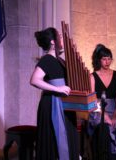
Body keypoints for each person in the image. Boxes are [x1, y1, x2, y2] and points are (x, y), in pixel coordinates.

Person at [30, 27, 79, 160]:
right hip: (52, 105)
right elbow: (34, 80)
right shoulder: (46, 59)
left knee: (70, 137)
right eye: (60, 37)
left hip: (65, 104)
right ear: (53, 42)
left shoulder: (60, 60)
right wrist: (57, 89)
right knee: (53, 141)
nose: (62, 39)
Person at [88, 44, 116, 160]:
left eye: (109, 58)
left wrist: (115, 115)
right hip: (98, 110)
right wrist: (104, 115)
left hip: (114, 109)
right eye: (104, 59)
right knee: (105, 126)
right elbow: (92, 100)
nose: (107, 61)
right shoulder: (92, 76)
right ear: (99, 60)